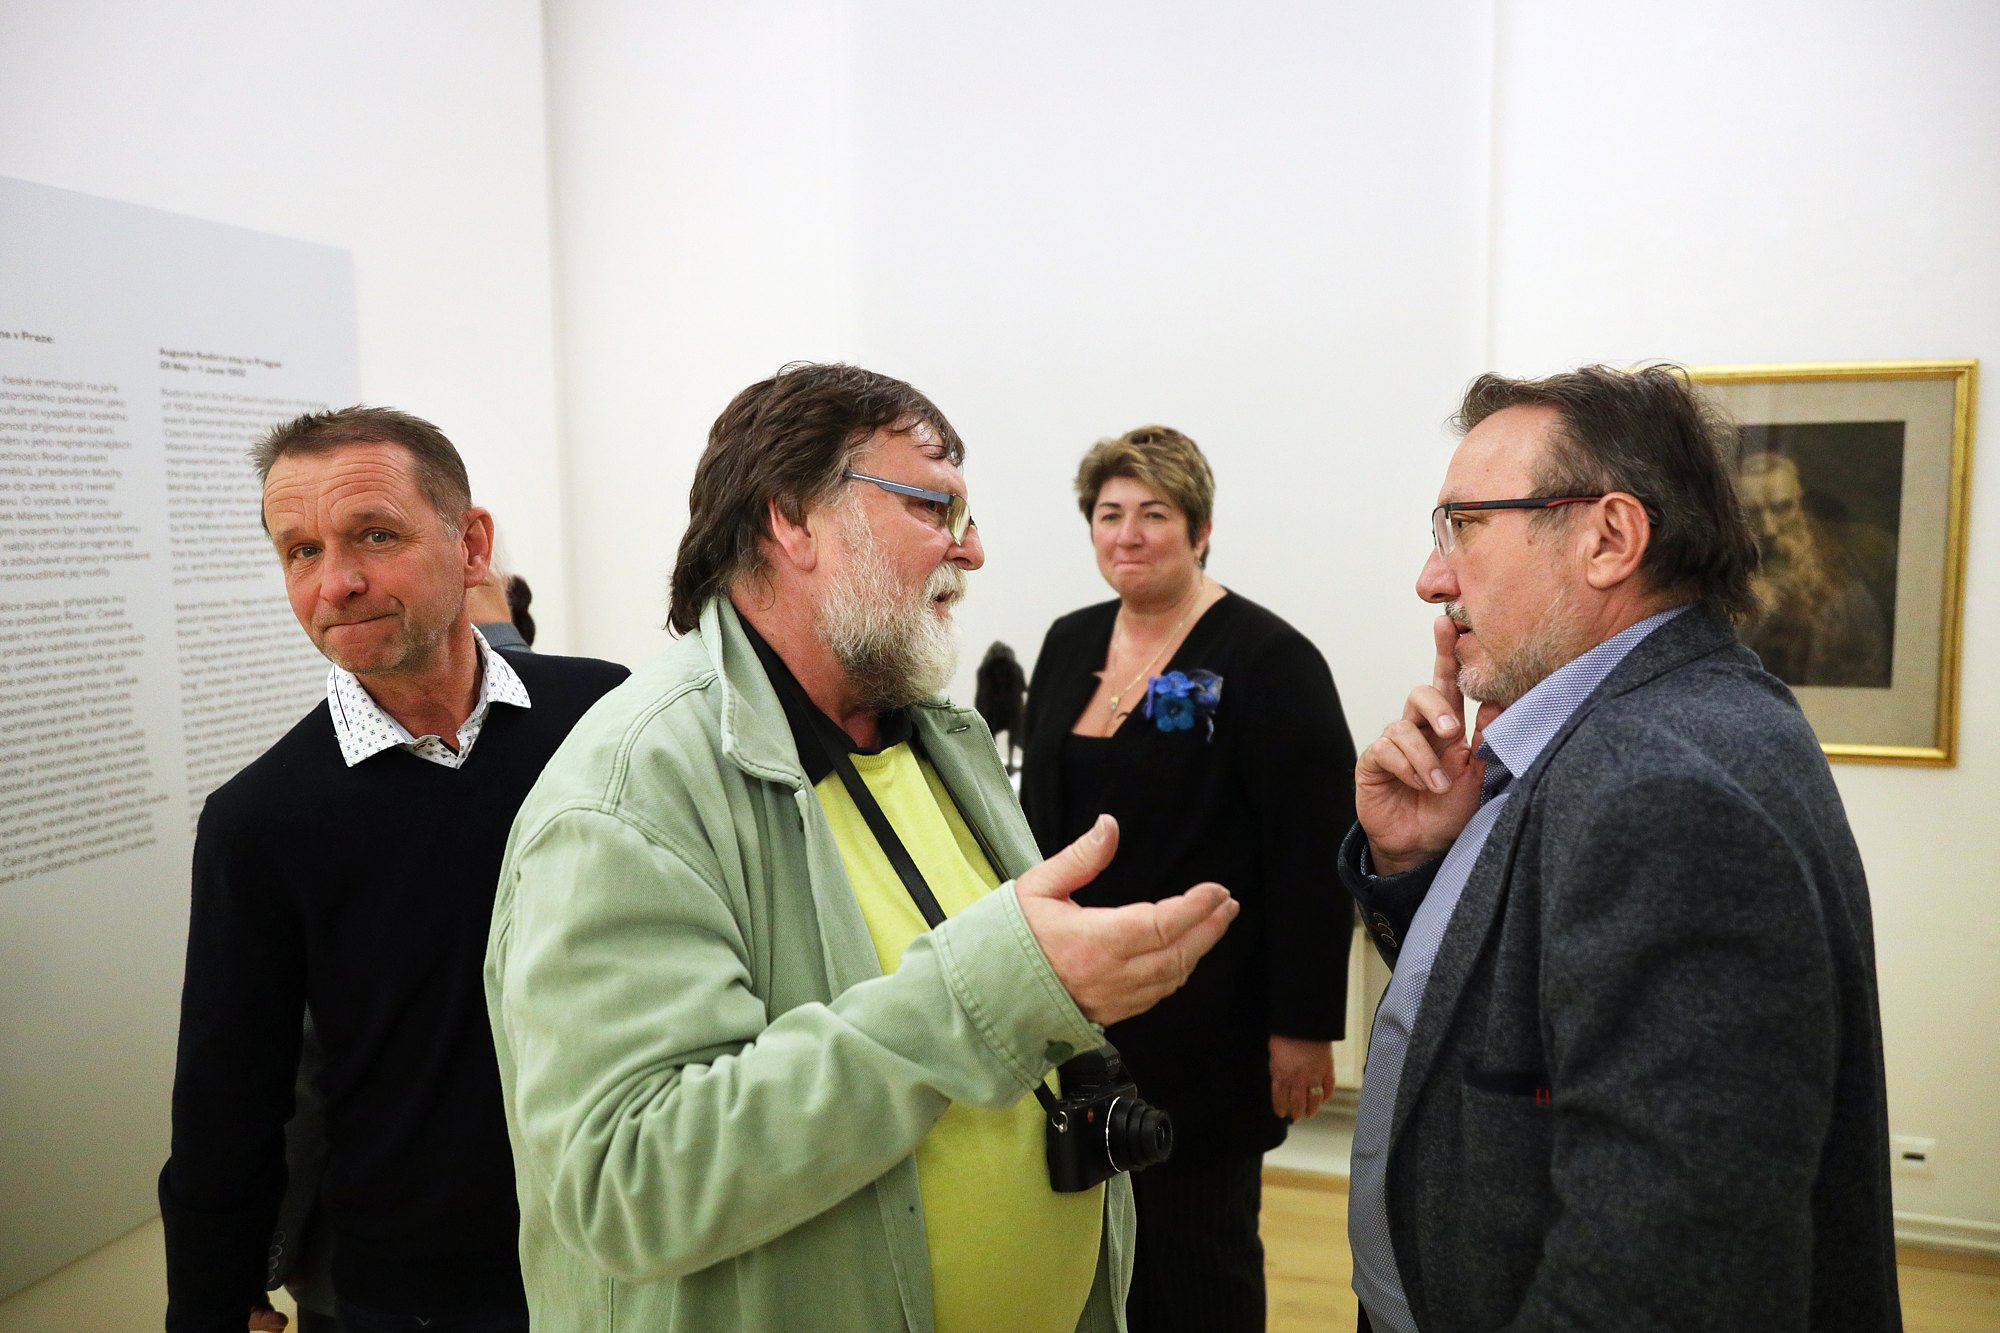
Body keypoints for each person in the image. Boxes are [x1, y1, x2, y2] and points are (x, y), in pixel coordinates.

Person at [484, 362, 1241, 1332]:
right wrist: (988, 994)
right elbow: (630, 1180)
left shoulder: (933, 735)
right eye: (934, 506)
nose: (971, 550)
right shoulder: (632, 791)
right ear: (792, 520)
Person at [1342, 366, 1899, 1331]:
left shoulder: (1661, 785)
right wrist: (1419, 868)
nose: (1433, 577)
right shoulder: (1620, 725)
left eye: (1463, 525)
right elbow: (1525, 1012)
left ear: (1608, 539)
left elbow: (1671, 1270)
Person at [159, 407, 628, 1333]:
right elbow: (228, 1098)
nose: (335, 581)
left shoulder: (603, 714)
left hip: (623, 1236)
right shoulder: (259, 820)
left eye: (374, 534)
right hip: (413, 1291)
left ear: (472, 545)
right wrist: (211, 1302)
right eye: (301, 551)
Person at [1017, 425, 1356, 1332]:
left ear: (1201, 530)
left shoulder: (1267, 660)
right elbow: (1035, 819)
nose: (1127, 534)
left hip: (1209, 1022)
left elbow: (1311, 849)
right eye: (1108, 514)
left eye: (1153, 513)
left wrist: (1303, 1027)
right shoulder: (1068, 641)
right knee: (1093, 1255)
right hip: (1075, 1013)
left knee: (1197, 1258)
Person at [1736, 449, 1891, 687]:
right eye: (1752, 513)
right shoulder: (1715, 569)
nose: (1768, 529)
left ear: (1801, 503)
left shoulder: (1861, 556)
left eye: (1782, 508)